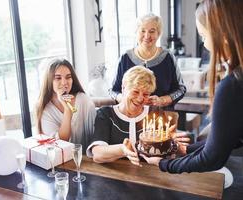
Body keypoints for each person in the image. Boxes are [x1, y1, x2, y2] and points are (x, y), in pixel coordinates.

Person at [143, 0, 243, 173]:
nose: (204, 44)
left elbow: (211, 159)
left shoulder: (232, 87)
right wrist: (186, 150)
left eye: (204, 36)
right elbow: (230, 137)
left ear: (224, 37)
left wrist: (162, 164)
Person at [86, 66, 189, 165]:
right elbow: (97, 154)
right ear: (123, 88)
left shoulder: (154, 113)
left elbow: (165, 153)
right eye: (135, 92)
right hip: (116, 175)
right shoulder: (106, 114)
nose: (140, 99)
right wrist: (122, 149)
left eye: (145, 94)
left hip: (150, 175)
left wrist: (174, 146)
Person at [110, 13, 186, 110]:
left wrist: (162, 100)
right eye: (142, 31)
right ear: (136, 32)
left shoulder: (168, 57)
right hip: (130, 118)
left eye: (152, 31)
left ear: (158, 33)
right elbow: (113, 91)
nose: (147, 36)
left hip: (161, 118)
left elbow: (181, 89)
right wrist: (126, 99)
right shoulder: (125, 58)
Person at [35, 59, 96, 150]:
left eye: (68, 77)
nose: (64, 82)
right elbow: (60, 144)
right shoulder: (45, 110)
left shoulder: (84, 100)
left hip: (87, 160)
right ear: (49, 81)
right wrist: (68, 110)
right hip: (60, 161)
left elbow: (96, 137)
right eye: (58, 78)